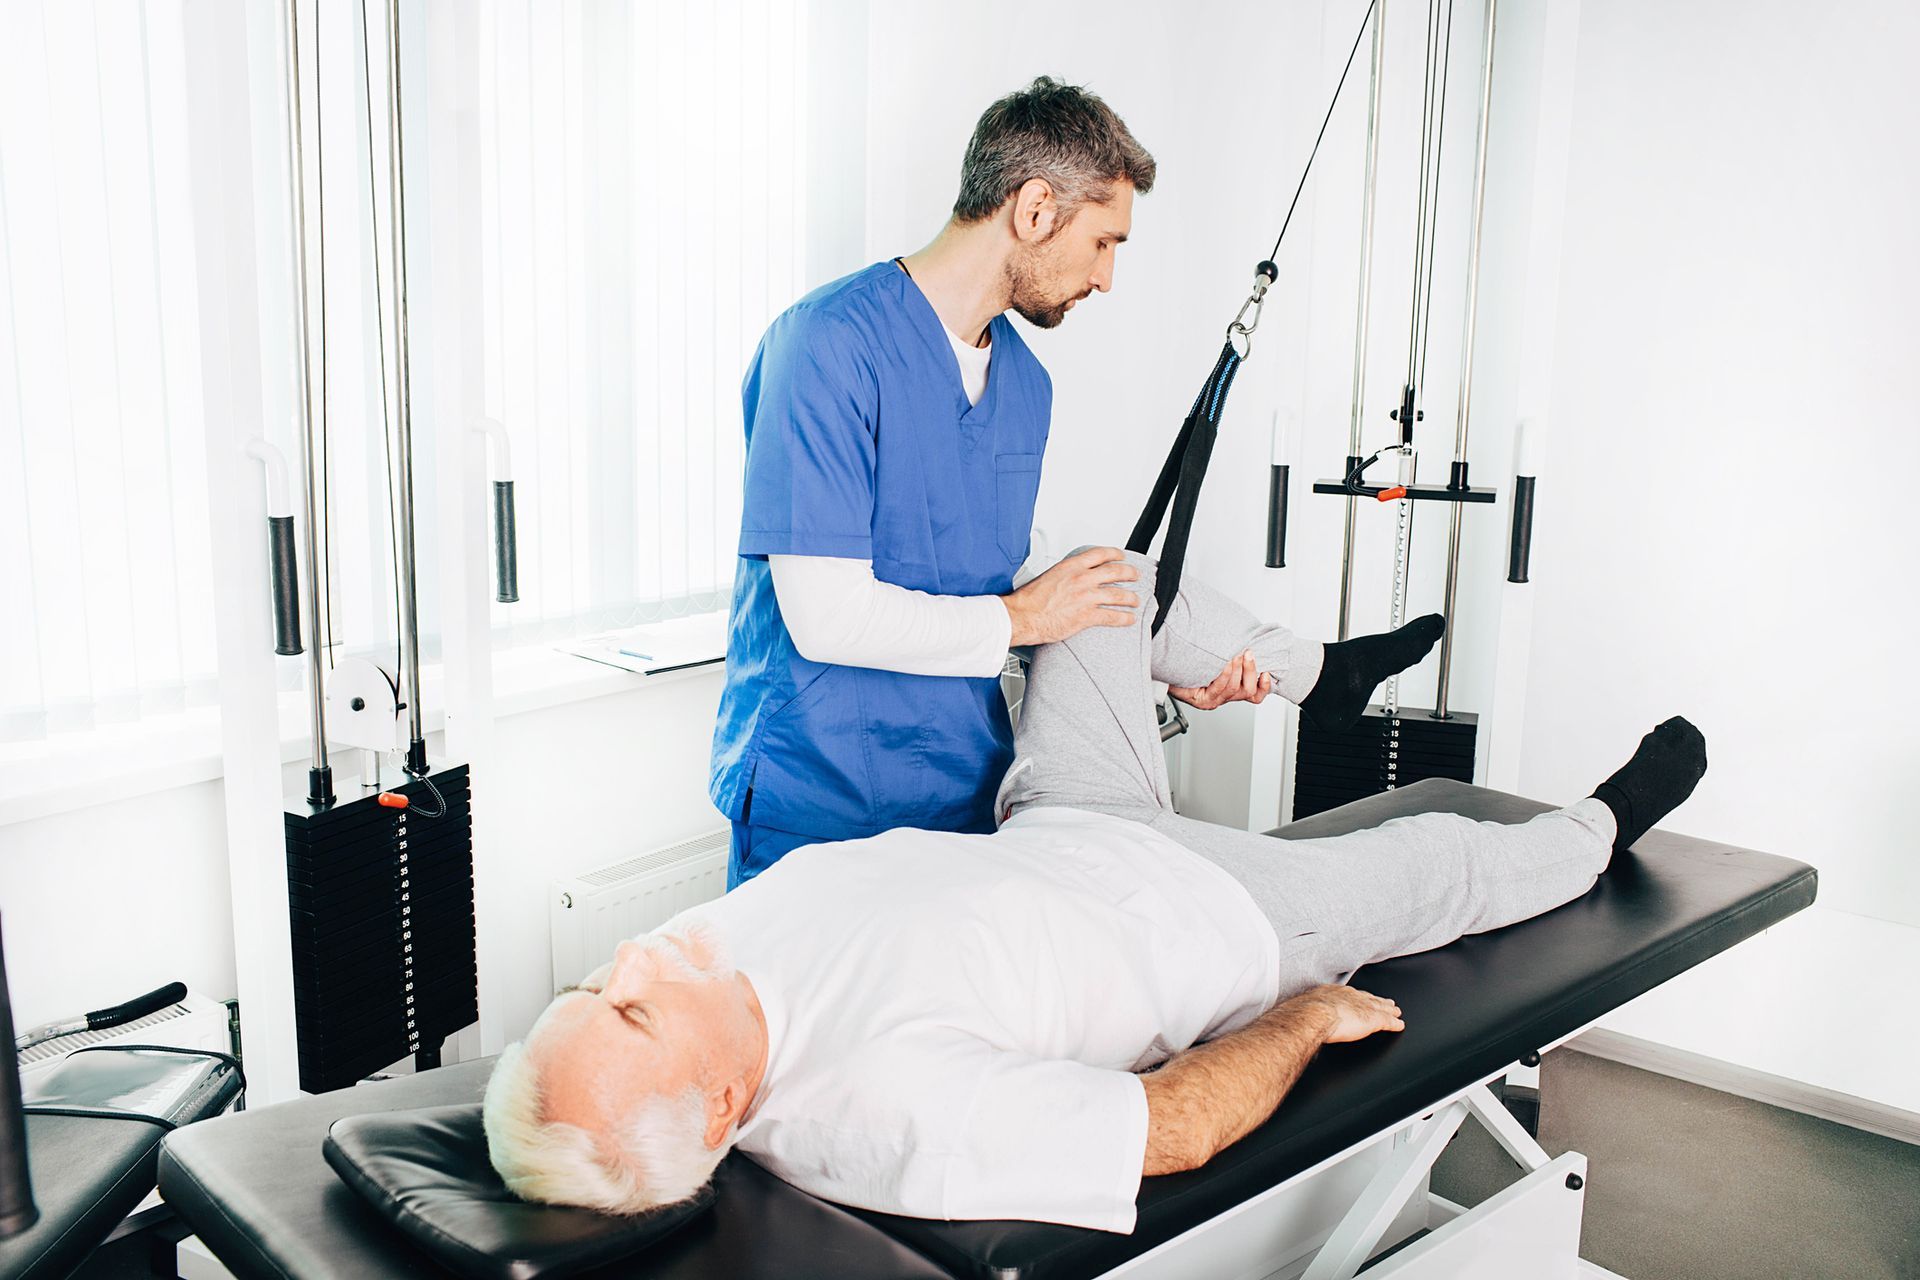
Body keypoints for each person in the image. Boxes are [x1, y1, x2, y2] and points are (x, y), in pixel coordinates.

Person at [494, 554, 1708, 1233]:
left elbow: (652, 989)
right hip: (1226, 911)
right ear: (718, 1108)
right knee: (1448, 866)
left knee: (1093, 581)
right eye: (630, 1006)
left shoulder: (688, 964)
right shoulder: (886, 1112)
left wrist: (632, 1006)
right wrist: (1299, 1016)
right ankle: (1604, 825)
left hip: (1066, 816)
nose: (637, 961)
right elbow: (1167, 1130)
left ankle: (1318, 673)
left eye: (599, 983)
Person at [712, 77, 1276, 887]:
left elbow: (996, 589)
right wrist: (1024, 614)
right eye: (1105, 241)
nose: (1108, 276)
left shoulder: (1026, 385)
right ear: (1037, 209)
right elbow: (827, 619)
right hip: (820, 800)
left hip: (965, 795)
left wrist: (1159, 662)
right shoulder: (824, 348)